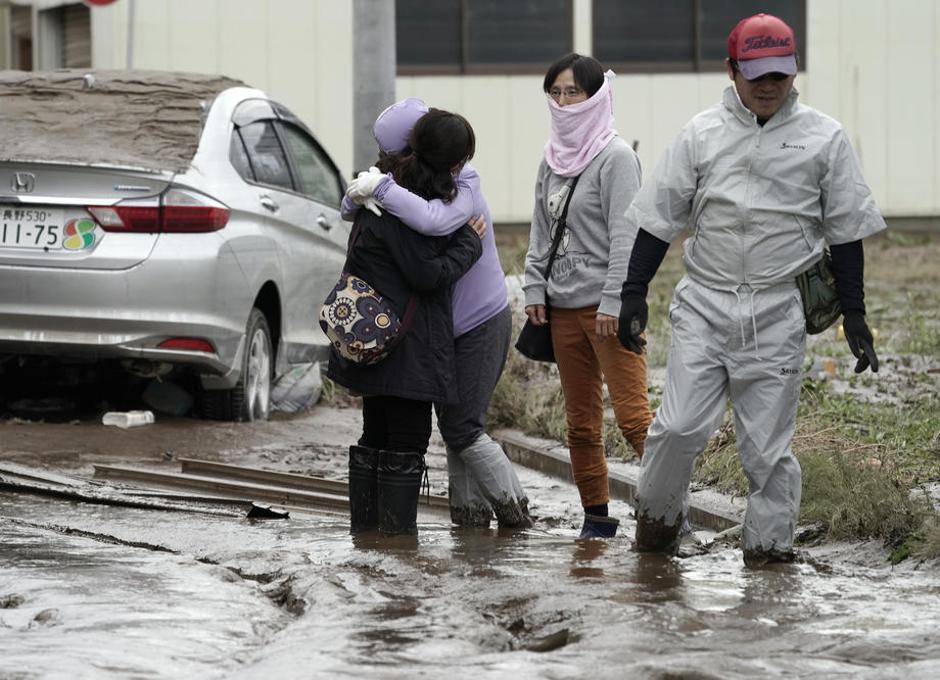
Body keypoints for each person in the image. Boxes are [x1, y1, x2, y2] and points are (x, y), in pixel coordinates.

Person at [617, 13, 886, 566]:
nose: (767, 87)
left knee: (766, 450)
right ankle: (657, 535)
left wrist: (853, 315)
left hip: (776, 307)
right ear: (732, 70)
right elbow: (658, 219)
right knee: (676, 429)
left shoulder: (824, 138)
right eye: (756, 75)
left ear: (793, 74)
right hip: (706, 303)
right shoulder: (701, 133)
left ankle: (769, 558)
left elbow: (846, 230)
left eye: (779, 77)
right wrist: (633, 293)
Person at [343, 98, 532, 529]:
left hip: (470, 321)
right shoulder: (396, 196)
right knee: (443, 430)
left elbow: (430, 224)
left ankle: (507, 518)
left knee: (460, 427)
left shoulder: (452, 186)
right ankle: (467, 523)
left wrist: (373, 190)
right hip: (412, 333)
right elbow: (426, 265)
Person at [327, 109, 485, 536]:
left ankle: (368, 537)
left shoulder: (380, 189)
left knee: (376, 434)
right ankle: (395, 547)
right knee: (406, 440)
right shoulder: (407, 208)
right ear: (451, 164)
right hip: (405, 345)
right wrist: (470, 243)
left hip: (376, 337)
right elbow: (426, 275)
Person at [522, 53, 652, 539]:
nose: (562, 101)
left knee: (636, 422)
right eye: (554, 92)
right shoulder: (551, 158)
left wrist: (616, 301)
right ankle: (597, 518)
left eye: (572, 91)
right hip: (561, 311)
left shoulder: (616, 158)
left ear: (595, 96)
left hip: (607, 312)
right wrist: (535, 286)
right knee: (580, 425)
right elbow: (540, 229)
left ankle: (667, 510)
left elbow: (628, 236)